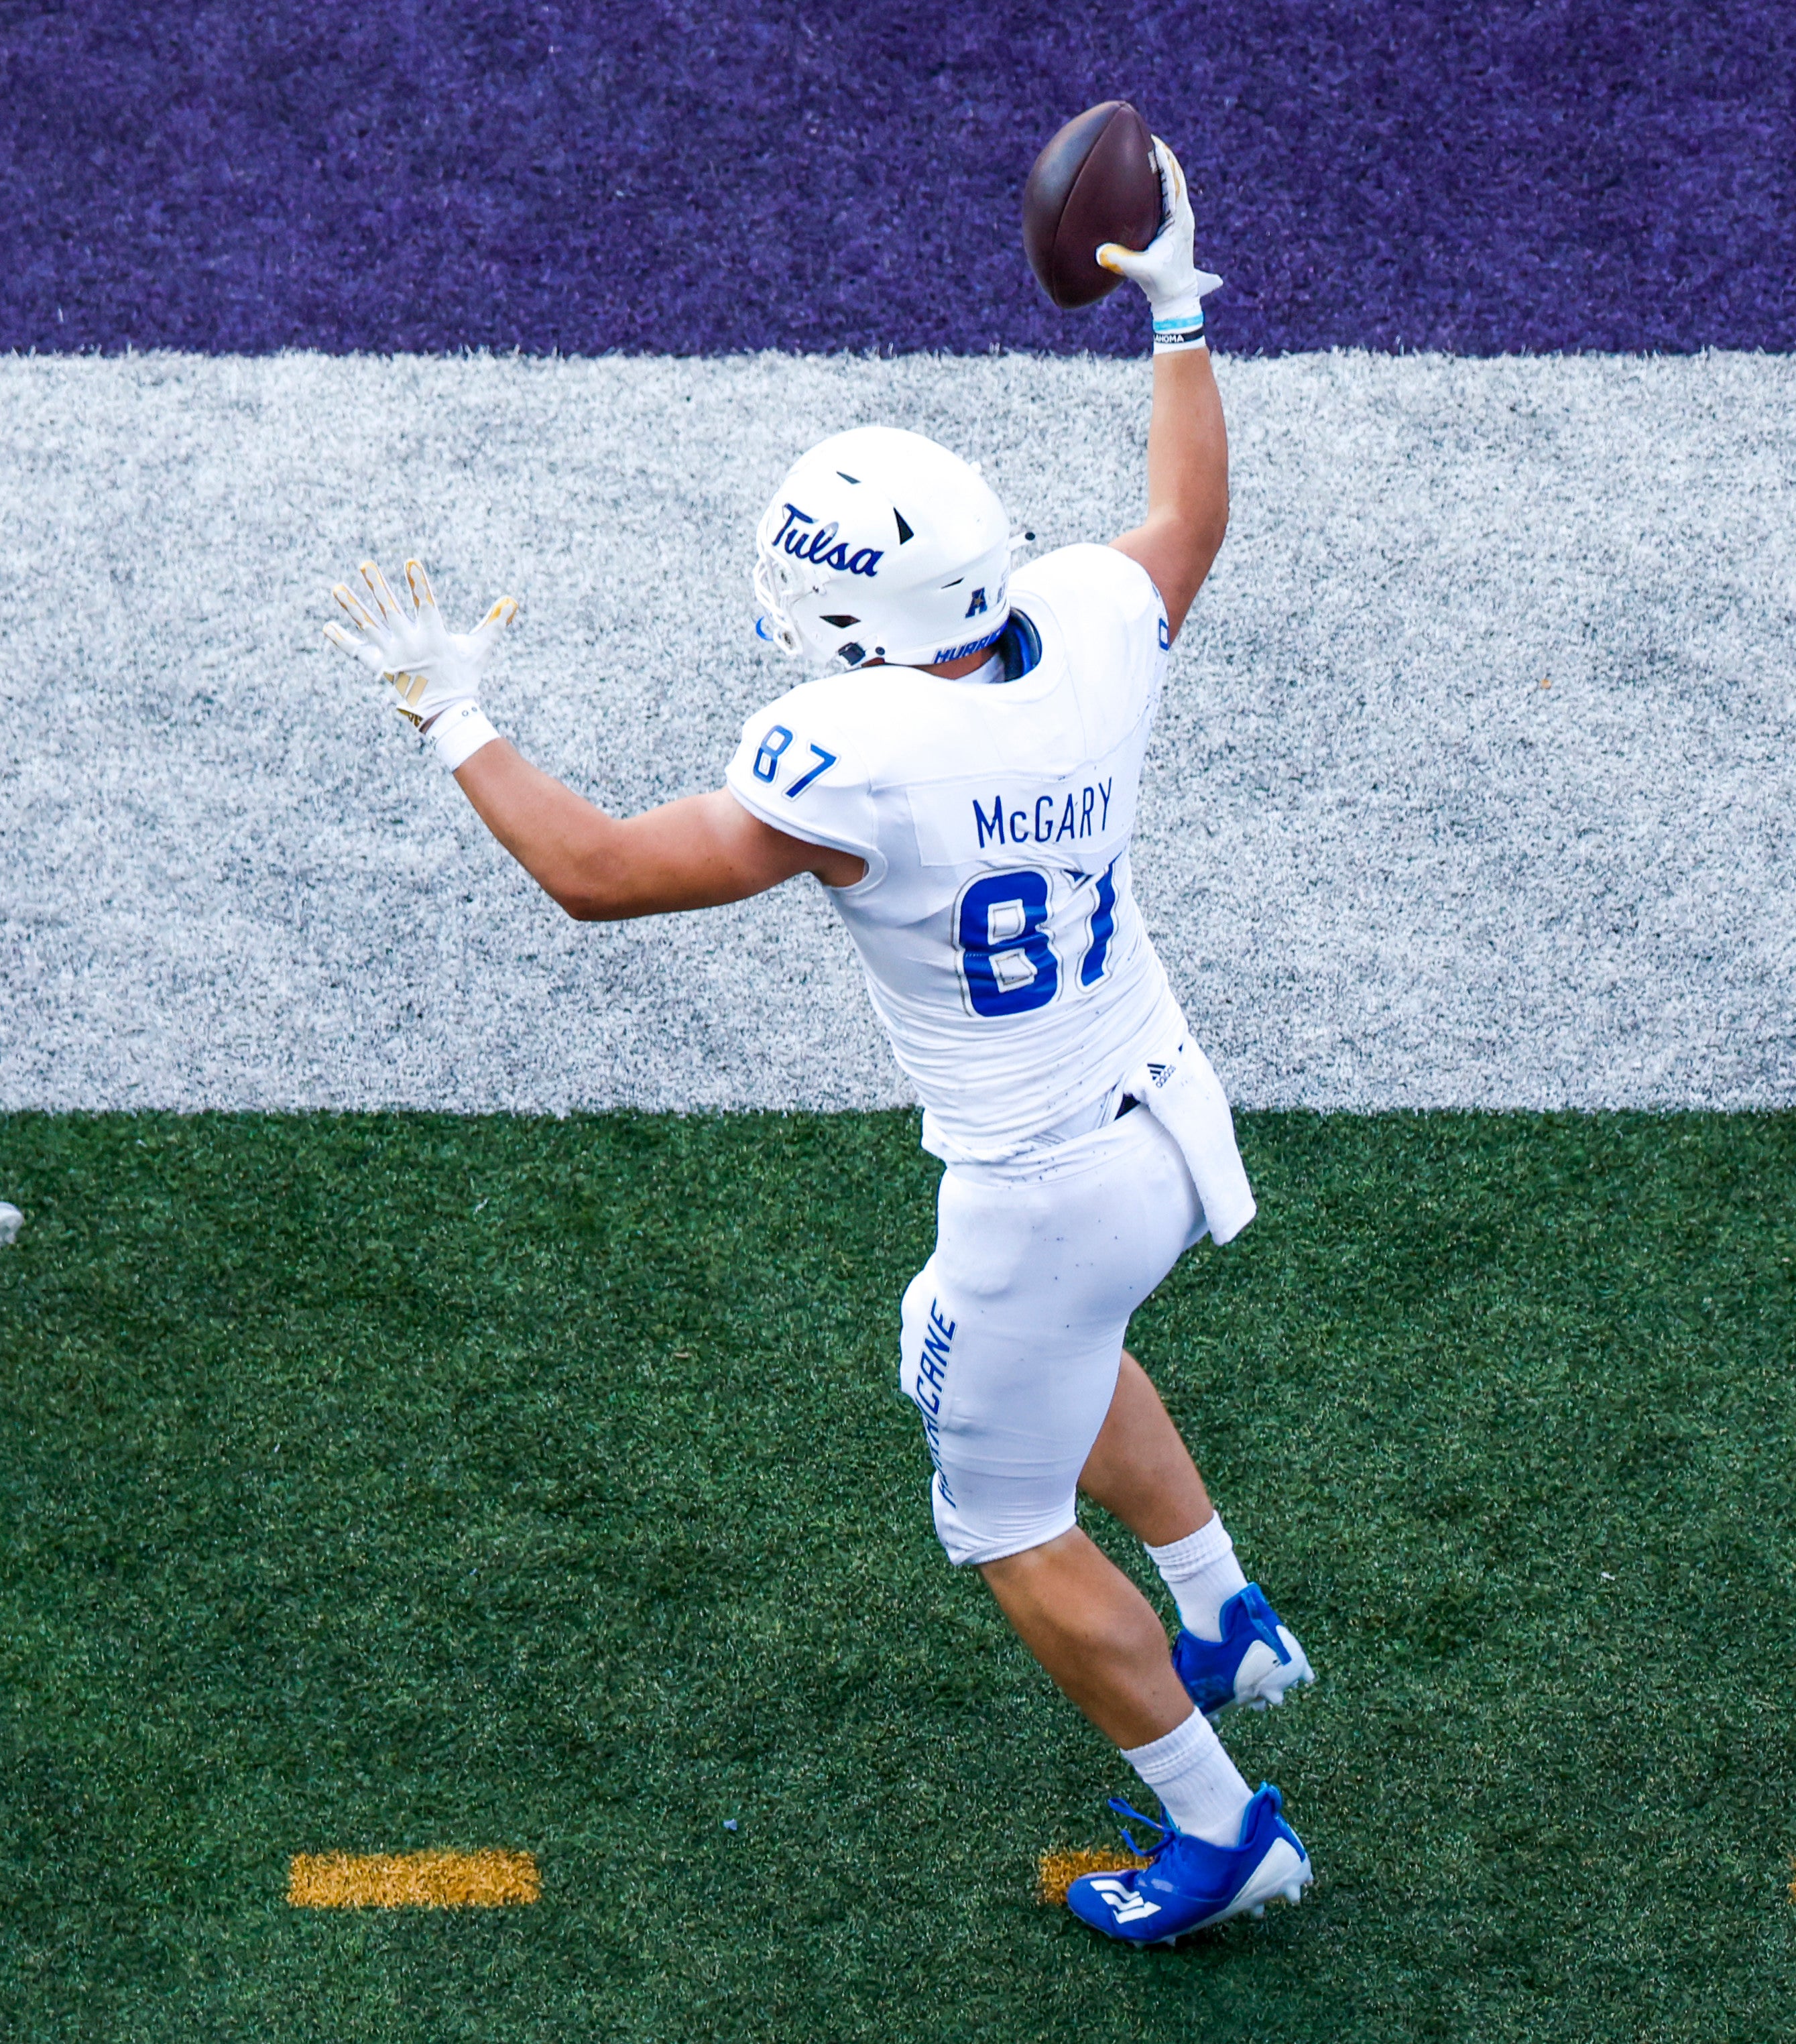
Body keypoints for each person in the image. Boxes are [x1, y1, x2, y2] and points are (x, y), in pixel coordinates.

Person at [318, 139, 1317, 1945]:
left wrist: (454, 716)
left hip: (1041, 1179)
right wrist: (1173, 305)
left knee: (1001, 1520)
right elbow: (1185, 519)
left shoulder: (848, 754)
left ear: (853, 614)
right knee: (980, 1337)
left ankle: (1221, 1822)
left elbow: (605, 877)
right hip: (1166, 1105)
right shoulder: (1086, 626)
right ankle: (1222, 1601)